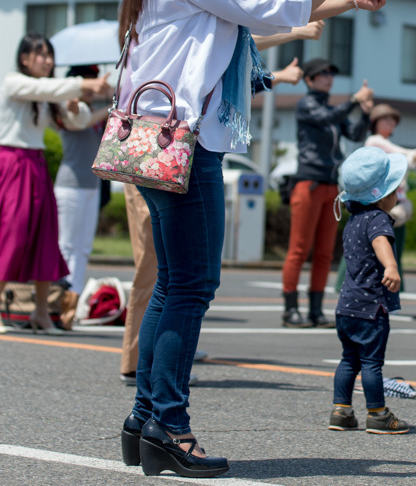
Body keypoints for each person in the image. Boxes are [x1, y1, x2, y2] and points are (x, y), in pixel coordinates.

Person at [115, 0, 387, 478]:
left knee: (172, 287)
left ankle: (145, 418)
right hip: (189, 145)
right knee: (190, 287)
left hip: (152, 139)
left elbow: (257, 12)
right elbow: (266, 6)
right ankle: (170, 426)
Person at [119, 25, 315, 387]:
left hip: (150, 151)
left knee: (167, 279)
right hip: (174, 153)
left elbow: (236, 39)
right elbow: (240, 31)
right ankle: (151, 383)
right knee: (179, 281)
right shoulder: (185, 13)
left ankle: (148, 394)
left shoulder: (151, 12)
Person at [0, 34, 109, 331]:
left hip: (36, 164)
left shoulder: (49, 95)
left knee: (45, 236)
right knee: (13, 232)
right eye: (40, 54)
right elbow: (45, 88)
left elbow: (78, 120)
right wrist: (85, 85)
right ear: (24, 58)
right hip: (12, 162)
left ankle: (40, 311)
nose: (47, 60)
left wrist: (84, 106)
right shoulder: (14, 82)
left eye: (49, 55)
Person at [281, 57, 373, 329]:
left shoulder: (334, 110)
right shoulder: (306, 105)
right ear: (309, 80)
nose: (328, 78)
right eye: (322, 74)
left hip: (330, 186)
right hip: (308, 183)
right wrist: (355, 100)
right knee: (299, 249)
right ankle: (290, 310)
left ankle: (316, 311)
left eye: (330, 74)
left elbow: (355, 134)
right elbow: (328, 117)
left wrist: (365, 113)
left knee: (323, 253)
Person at [328, 146, 410, 434]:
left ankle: (341, 411)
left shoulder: (352, 221)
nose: (397, 193)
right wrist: (391, 267)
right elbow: (380, 242)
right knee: (372, 363)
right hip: (370, 307)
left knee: (348, 360)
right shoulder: (377, 219)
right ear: (382, 195)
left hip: (346, 306)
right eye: (394, 189)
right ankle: (377, 414)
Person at [360, 103, 416, 286]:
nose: (391, 124)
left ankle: (389, 285)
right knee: (379, 244)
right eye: (386, 120)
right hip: (379, 203)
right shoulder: (374, 141)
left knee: (392, 246)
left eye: (393, 121)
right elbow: (401, 154)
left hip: (395, 201)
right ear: (375, 122)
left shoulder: (384, 143)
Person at [54, 65, 111, 293]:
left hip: (92, 185)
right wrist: (110, 107)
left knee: (83, 247)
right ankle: (58, 297)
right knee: (66, 245)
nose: (92, 87)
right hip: (70, 186)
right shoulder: (67, 108)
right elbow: (78, 120)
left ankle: (74, 296)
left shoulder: (95, 110)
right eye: (87, 82)